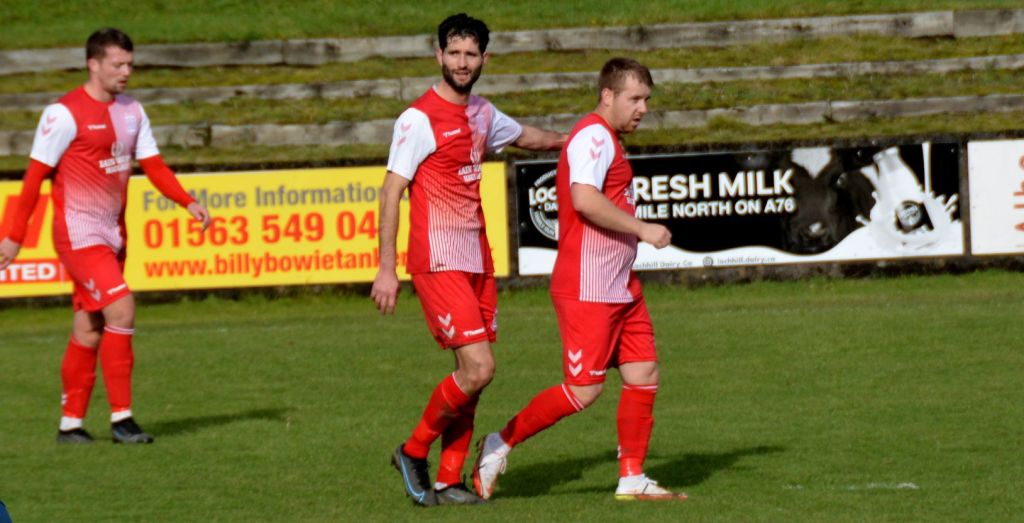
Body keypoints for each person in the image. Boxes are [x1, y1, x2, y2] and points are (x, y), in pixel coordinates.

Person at [370, 13, 564, 506]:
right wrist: (386, 268)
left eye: (470, 54)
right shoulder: (418, 119)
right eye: (453, 53)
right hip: (438, 260)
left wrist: (578, 136)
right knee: (479, 368)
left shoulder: (482, 113)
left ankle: (449, 478)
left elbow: (527, 137)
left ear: (484, 59)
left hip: (477, 259)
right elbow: (391, 192)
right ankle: (413, 450)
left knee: (472, 376)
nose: (461, 62)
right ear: (438, 55)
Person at [471, 58, 687, 501]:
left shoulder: (607, 138)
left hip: (619, 285)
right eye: (635, 99)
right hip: (588, 288)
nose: (643, 109)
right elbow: (584, 199)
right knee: (584, 391)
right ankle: (498, 443)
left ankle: (632, 477)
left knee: (643, 371)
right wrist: (642, 228)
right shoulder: (593, 135)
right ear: (607, 95)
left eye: (647, 99)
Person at [0, 28, 210, 444]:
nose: (126, 72)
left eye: (130, 64)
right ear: (93, 64)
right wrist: (13, 237)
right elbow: (33, 181)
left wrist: (186, 201)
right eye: (118, 64)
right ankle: (122, 419)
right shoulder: (63, 114)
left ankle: (70, 426)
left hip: (113, 235)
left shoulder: (132, 111)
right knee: (122, 310)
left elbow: (154, 166)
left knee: (90, 328)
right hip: (78, 236)